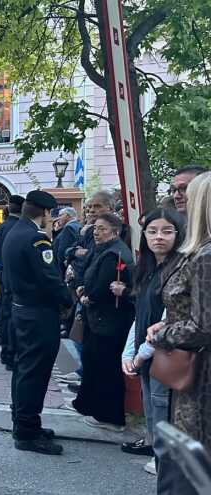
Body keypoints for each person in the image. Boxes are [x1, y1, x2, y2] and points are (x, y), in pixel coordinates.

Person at [148, 172, 211, 495]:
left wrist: (163, 334)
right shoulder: (199, 251)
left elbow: (203, 326)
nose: (178, 198)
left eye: (187, 193)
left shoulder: (206, 256)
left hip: (198, 376)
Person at [2, 190, 72, 455]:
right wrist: (67, 300)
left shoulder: (14, 232)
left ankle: (24, 422)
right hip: (38, 314)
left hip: (22, 309)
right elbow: (50, 278)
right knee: (35, 373)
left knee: (24, 369)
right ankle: (27, 431)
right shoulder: (36, 238)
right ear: (45, 212)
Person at [120, 208, 185, 475]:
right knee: (151, 412)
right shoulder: (146, 269)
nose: (159, 237)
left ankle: (167, 468)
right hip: (146, 356)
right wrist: (128, 353)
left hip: (166, 357)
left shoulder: (181, 270)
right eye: (153, 231)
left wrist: (139, 355)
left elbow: (169, 320)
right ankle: (159, 461)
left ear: (178, 234)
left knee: (162, 413)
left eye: (167, 231)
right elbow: (141, 316)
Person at [70, 213, 134, 432]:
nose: (96, 233)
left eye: (102, 229)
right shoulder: (104, 250)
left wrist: (87, 296)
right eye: (95, 228)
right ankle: (93, 408)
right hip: (100, 320)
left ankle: (111, 417)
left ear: (115, 232)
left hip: (108, 321)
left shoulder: (114, 254)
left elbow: (102, 286)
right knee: (95, 365)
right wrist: (82, 287)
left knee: (107, 369)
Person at [0, 195, 24, 369]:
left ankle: (4, 345)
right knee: (11, 313)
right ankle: (10, 352)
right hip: (12, 276)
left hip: (0, 270)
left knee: (3, 307)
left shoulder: (1, 227)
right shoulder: (19, 228)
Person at [52, 207, 81, 278]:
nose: (58, 218)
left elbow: (62, 252)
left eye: (60, 215)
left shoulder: (69, 228)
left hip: (63, 270)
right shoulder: (77, 225)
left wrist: (60, 273)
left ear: (67, 215)